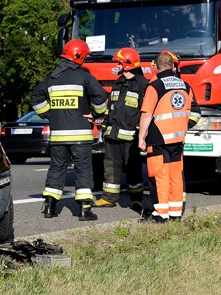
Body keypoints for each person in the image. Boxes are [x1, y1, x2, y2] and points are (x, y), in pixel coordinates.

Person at [30, 39, 108, 221]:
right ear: (79, 56)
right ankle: (84, 210)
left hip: (58, 136)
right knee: (83, 170)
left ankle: (49, 207)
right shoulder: (84, 77)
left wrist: (50, 114)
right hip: (80, 135)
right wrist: (97, 114)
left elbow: (35, 98)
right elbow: (100, 95)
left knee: (56, 169)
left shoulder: (52, 78)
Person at [138, 51, 200, 222]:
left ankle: (160, 214)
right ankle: (175, 212)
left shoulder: (155, 86)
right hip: (178, 138)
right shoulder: (185, 86)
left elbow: (146, 114)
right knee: (175, 175)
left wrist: (141, 137)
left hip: (159, 137)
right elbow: (189, 112)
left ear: (156, 68)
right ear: (173, 66)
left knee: (159, 175)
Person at [95, 47, 147, 213]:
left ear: (127, 65)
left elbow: (145, 111)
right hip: (112, 135)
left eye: (118, 63)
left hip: (130, 137)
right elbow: (111, 107)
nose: (115, 66)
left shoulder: (142, 84)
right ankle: (108, 198)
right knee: (110, 167)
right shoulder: (117, 83)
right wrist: (104, 127)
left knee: (133, 169)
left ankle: (136, 199)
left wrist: (140, 133)